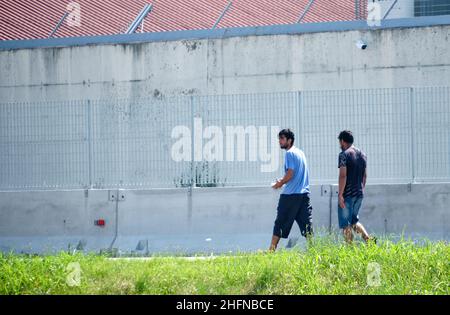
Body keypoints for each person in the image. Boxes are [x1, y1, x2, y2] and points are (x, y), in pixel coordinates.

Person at [270, 129, 313, 251]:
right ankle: (312, 249)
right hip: (304, 195)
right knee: (306, 223)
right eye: (279, 138)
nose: (280, 141)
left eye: (282, 138)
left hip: (290, 196)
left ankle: (271, 250)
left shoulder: (289, 153)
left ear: (290, 140)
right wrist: (284, 180)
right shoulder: (301, 153)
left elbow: (290, 173)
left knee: (280, 221)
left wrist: (280, 183)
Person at [337, 130, 375, 244]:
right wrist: (361, 190)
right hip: (359, 194)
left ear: (343, 141)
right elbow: (365, 176)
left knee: (345, 224)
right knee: (354, 221)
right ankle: (368, 240)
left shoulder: (344, 155)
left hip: (347, 194)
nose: (340, 145)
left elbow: (343, 176)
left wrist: (340, 195)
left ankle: (350, 249)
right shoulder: (362, 154)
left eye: (340, 142)